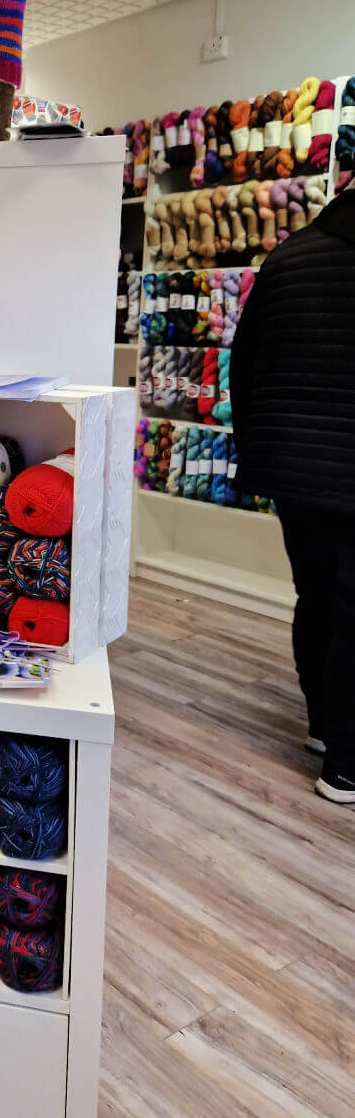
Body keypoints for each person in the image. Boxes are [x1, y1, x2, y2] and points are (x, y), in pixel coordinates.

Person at [231, 180, 355, 805]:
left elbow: (243, 365)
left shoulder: (287, 259)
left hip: (294, 467)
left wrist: (257, 452)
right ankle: (346, 762)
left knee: (316, 595)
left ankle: (321, 724)